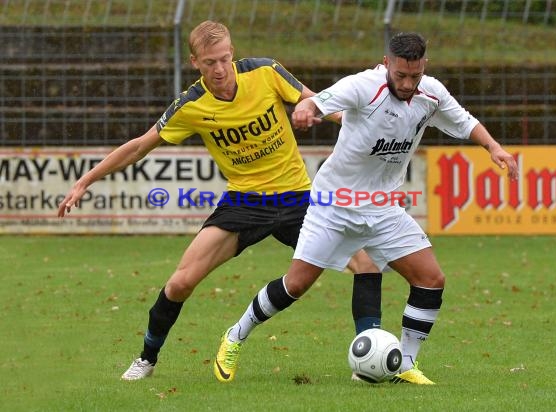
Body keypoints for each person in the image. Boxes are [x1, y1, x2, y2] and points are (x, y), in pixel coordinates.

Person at [57, 20, 382, 381]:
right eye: (210, 62)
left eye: (224, 59)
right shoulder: (191, 105)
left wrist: (358, 124)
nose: (219, 69)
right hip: (244, 204)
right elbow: (138, 146)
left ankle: (367, 361)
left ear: (233, 54)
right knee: (181, 282)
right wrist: (86, 180)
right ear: (195, 62)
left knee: (365, 263)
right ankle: (147, 359)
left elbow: (317, 100)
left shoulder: (265, 72)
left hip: (299, 198)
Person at [215, 31, 519, 385]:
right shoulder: (364, 85)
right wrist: (305, 109)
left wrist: (494, 148)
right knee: (296, 284)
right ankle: (235, 335)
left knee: (431, 279)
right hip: (334, 205)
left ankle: (403, 362)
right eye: (401, 75)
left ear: (424, 67)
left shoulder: (431, 92)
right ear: (387, 63)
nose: (407, 83)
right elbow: (322, 101)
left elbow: (466, 121)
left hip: (382, 207)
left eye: (415, 75)